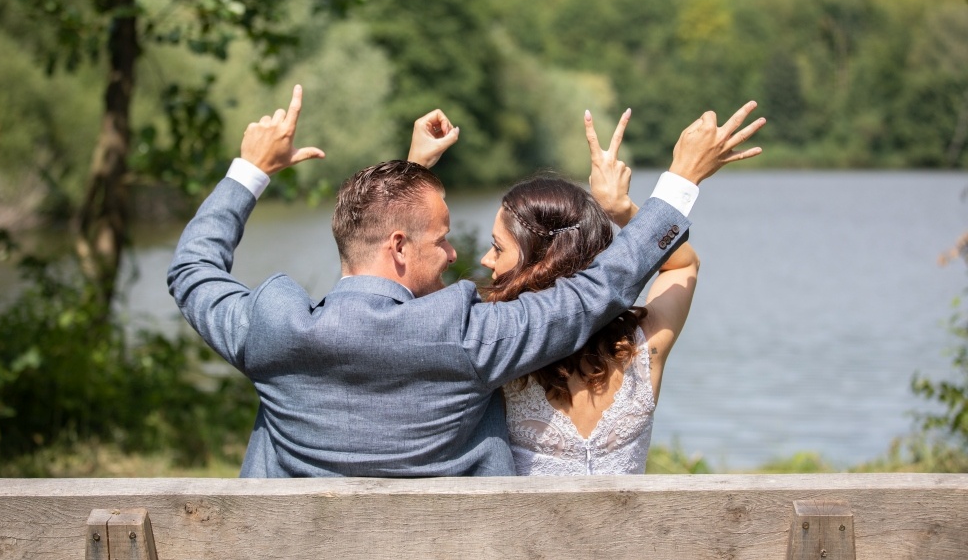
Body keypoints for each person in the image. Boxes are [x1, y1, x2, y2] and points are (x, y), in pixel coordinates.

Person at [167, 84, 763, 477]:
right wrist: (680, 181)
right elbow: (596, 291)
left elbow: (192, 270)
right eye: (443, 237)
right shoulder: (468, 337)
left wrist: (249, 172)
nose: (457, 254)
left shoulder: (272, 331)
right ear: (400, 245)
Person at [481, 110, 699, 475]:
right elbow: (683, 265)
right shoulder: (644, 351)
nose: (487, 260)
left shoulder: (495, 353)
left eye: (498, 248)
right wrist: (623, 210)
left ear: (540, 261)